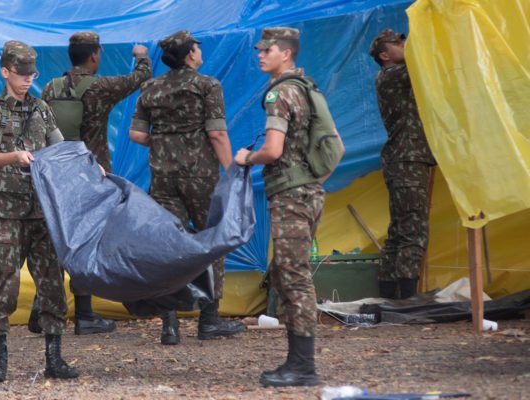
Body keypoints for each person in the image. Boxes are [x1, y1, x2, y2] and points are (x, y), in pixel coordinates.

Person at [235, 27, 344, 387]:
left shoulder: (280, 94)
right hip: (307, 193)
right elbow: (336, 149)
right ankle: (298, 361)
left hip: (291, 196)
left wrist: (246, 156)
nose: (260, 55)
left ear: (286, 53)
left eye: (268, 50)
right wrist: (310, 178)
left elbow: (273, 151)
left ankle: (303, 366)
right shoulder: (309, 90)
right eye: (260, 50)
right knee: (289, 272)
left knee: (293, 276)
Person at [30, 31, 152, 335]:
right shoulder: (100, 87)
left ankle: (40, 311)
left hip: (56, 175)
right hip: (90, 175)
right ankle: (85, 315)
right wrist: (141, 55)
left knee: (55, 240)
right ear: (95, 55)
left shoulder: (50, 87)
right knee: (85, 241)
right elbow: (140, 77)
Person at [129, 30, 244, 346]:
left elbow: (136, 135)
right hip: (200, 175)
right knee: (211, 240)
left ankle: (169, 325)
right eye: (197, 47)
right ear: (190, 54)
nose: (199, 51)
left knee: (169, 246)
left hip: (162, 177)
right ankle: (209, 320)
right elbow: (218, 134)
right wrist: (231, 171)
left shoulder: (150, 87)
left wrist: (165, 141)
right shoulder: (207, 85)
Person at [0, 40, 79, 382]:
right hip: (7, 213)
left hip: (41, 212)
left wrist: (91, 168)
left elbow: (60, 150)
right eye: (21, 73)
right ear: (5, 72)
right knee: (4, 284)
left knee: (51, 284)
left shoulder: (42, 109)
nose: (27, 79)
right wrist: (15, 156)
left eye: (31, 73)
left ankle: (54, 358)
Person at [369, 29, 436, 300]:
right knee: (413, 228)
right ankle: (407, 296)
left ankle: (388, 295)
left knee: (399, 228)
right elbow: (424, 60)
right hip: (408, 159)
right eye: (397, 44)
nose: (403, 45)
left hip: (403, 158)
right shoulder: (392, 75)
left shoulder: (393, 75)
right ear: (385, 56)